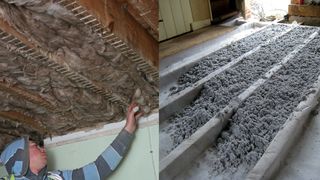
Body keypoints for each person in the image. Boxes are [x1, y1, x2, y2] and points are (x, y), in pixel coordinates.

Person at [0, 102, 142, 180]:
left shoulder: (57, 178)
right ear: (21, 157)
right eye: (35, 146)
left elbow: (99, 169)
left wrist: (128, 130)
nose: (43, 149)